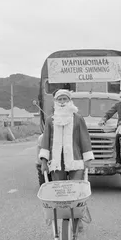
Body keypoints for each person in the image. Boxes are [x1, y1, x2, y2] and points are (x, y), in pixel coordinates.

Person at [39, 89, 94, 230]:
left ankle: (77, 218)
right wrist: (44, 161)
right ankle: (63, 219)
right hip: (57, 163)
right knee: (60, 195)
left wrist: (87, 159)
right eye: (60, 99)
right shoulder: (50, 120)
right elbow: (45, 141)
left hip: (75, 161)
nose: (62, 102)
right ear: (56, 102)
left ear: (70, 101)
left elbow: (84, 139)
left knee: (76, 193)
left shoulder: (78, 118)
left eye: (65, 99)